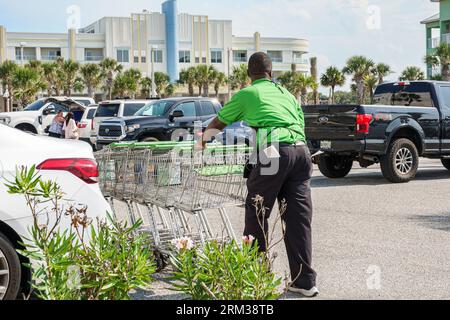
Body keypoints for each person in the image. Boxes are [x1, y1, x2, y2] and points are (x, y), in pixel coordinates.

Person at [199, 52, 318, 297]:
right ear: (271, 73)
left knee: (257, 212)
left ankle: (257, 279)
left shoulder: (248, 93)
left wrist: (201, 141)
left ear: (249, 76)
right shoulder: (287, 94)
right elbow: (299, 124)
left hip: (273, 149)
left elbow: (220, 122)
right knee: (298, 220)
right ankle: (304, 281)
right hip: (301, 152)